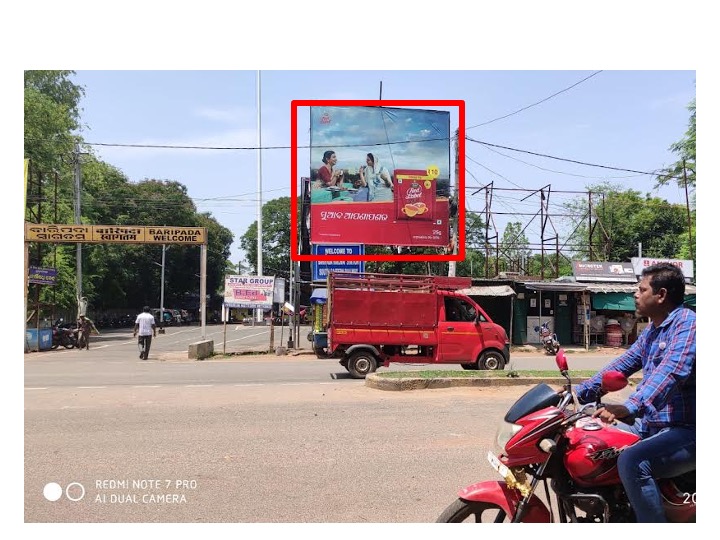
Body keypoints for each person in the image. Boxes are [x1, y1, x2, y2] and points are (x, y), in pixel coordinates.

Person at [574, 262, 695, 522]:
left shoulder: (688, 325)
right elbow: (622, 364)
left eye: (641, 290)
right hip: (652, 425)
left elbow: (672, 371)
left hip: (688, 430)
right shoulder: (652, 331)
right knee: (596, 441)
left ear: (661, 295)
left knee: (632, 461)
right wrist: (577, 393)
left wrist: (632, 406)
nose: (635, 295)